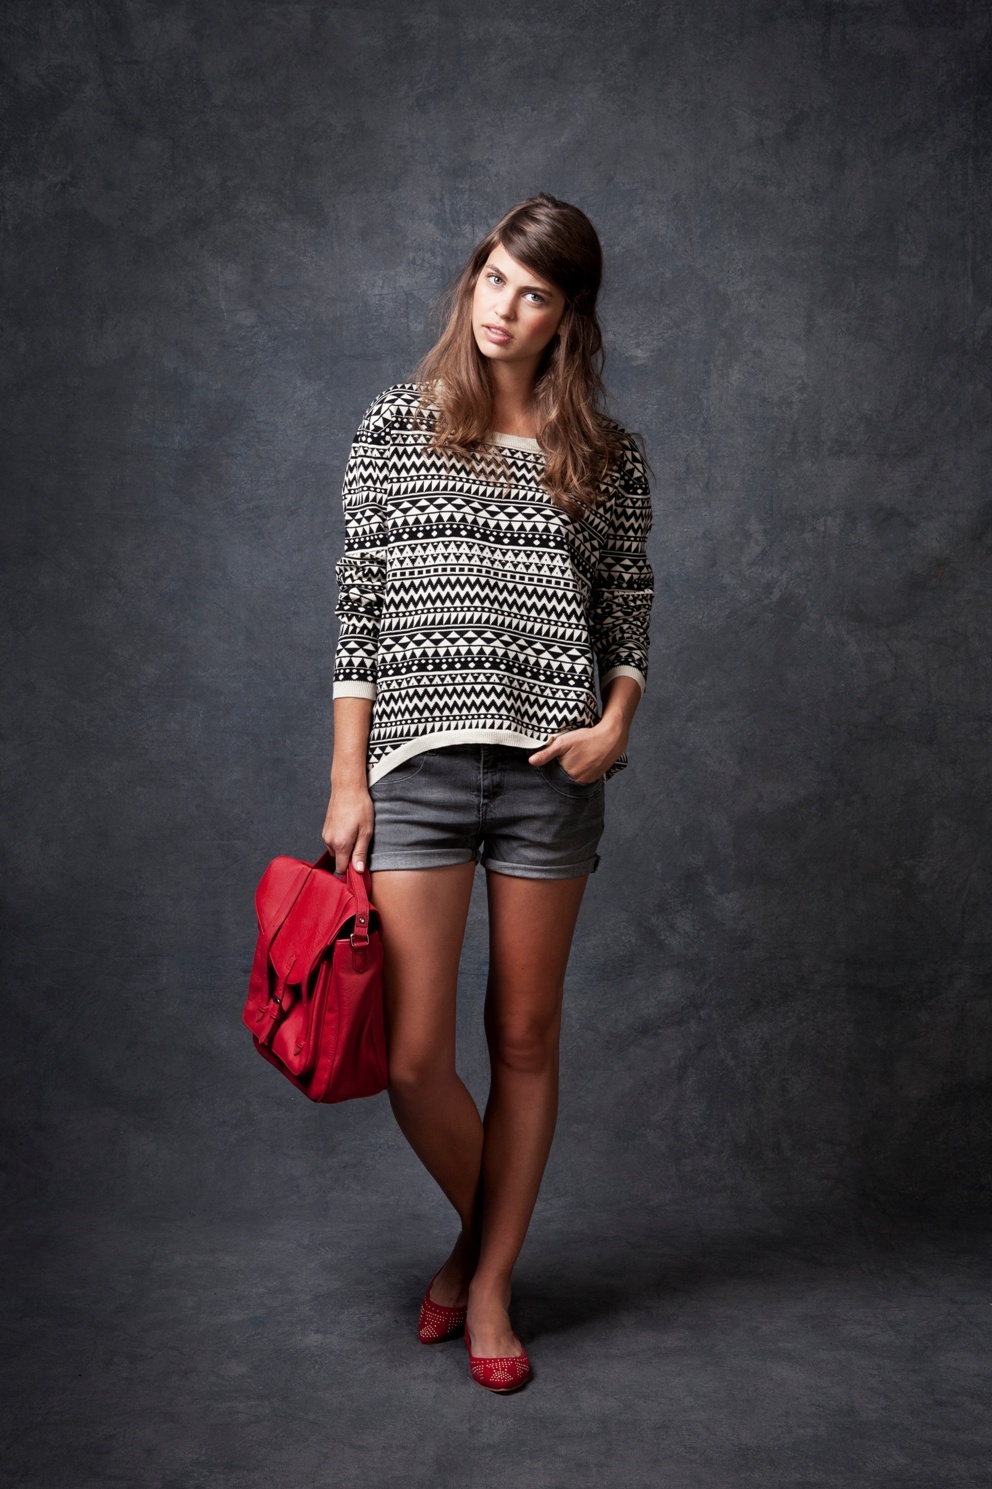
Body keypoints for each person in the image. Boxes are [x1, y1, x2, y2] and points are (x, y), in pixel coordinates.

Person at [322, 193, 654, 1392]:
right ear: (473, 278)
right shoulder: (396, 422)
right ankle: (483, 1239)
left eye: (535, 293)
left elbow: (626, 614)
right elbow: (357, 610)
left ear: (568, 316)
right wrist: (345, 778)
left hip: (547, 778)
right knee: (415, 1057)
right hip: (412, 767)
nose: (505, 308)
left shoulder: (604, 458)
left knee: (521, 1036)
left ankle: (490, 1280)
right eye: (495, 278)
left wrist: (613, 725)